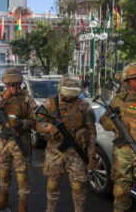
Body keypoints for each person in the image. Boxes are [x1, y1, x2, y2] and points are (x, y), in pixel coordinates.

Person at [36, 73, 97, 212]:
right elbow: (37, 125)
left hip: (77, 152)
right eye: (67, 93)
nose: (69, 97)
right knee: (52, 184)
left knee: (78, 186)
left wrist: (91, 153)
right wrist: (48, 127)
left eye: (73, 93)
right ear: (60, 89)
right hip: (54, 150)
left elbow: (92, 132)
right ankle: (50, 209)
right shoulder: (49, 104)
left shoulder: (84, 106)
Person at [0, 67, 37, 212]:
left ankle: (23, 207)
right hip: (4, 143)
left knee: (22, 178)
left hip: (21, 143)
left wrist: (22, 123)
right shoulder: (1, 97)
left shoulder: (27, 99)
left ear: (20, 83)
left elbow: (36, 120)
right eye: (8, 85)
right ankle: (3, 199)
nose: (11, 88)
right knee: (4, 173)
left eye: (14, 85)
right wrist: (4, 98)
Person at [100, 63, 136, 212]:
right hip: (123, 152)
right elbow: (104, 120)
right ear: (127, 81)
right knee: (120, 191)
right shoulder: (120, 99)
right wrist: (115, 125)